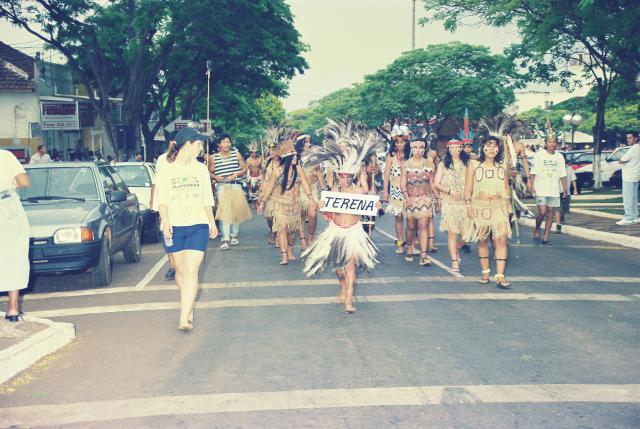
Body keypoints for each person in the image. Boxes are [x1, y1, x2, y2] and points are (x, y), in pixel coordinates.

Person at [302, 120, 382, 313]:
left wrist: (375, 203)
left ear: (352, 176)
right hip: (336, 232)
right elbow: (325, 204)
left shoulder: (357, 191)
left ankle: (349, 301)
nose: (344, 179)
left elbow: (369, 197)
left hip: (353, 233)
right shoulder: (334, 190)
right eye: (342, 176)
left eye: (347, 176)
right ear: (338, 175)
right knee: (339, 269)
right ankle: (344, 286)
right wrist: (321, 204)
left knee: (351, 268)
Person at [155, 127, 218, 331]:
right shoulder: (167, 169)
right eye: (199, 144)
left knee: (191, 271)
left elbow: (207, 198)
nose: (201, 148)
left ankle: (184, 317)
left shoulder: (200, 169)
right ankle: (188, 305)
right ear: (188, 144)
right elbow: (161, 200)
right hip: (174, 226)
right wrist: (165, 222)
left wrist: (212, 222)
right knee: (180, 272)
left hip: (197, 225)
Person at [257, 137, 317, 265]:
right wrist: (262, 202)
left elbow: (306, 185)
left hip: (294, 205)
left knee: (292, 232)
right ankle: (284, 255)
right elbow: (269, 188)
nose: (296, 157)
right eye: (294, 155)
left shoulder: (298, 170)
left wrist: (311, 199)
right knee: (282, 228)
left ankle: (289, 249)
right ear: (287, 158)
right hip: (279, 205)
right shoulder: (277, 171)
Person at [464, 136, 512, 288]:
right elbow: (468, 188)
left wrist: (507, 205)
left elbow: (506, 187)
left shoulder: (502, 165)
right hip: (480, 207)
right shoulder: (473, 165)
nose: (491, 149)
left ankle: (500, 276)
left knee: (501, 240)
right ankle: (485, 273)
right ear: (482, 147)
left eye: (495, 146)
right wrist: (468, 205)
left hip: (499, 208)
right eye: (488, 145)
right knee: (483, 240)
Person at [0, 149, 31, 322]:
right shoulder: (5, 156)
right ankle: (12, 308)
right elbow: (24, 182)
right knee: (14, 253)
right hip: (6, 206)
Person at [209, 134, 251, 250]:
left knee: (236, 212)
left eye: (228, 142)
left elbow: (244, 168)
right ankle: (225, 238)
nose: (227, 144)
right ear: (219, 144)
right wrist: (216, 177)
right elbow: (209, 172)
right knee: (225, 213)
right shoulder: (213, 157)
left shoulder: (236, 154)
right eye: (224, 142)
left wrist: (235, 175)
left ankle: (234, 235)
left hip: (236, 185)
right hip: (222, 187)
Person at [401, 140, 438, 266]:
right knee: (411, 227)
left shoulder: (429, 163)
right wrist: (407, 198)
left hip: (426, 199)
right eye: (415, 147)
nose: (418, 150)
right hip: (410, 199)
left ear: (425, 149)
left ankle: (423, 255)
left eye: (421, 147)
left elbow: (432, 183)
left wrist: (438, 199)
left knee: (423, 225)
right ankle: (410, 246)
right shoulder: (406, 164)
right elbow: (402, 184)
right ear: (411, 148)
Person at [434, 139, 470, 272]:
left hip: (465, 202)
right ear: (448, 150)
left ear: (461, 148)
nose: (455, 151)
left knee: (468, 235)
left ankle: (456, 248)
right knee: (452, 233)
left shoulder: (468, 163)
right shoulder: (443, 164)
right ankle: (454, 260)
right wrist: (449, 191)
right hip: (449, 202)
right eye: (452, 149)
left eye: (458, 148)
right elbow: (436, 183)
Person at [530, 136, 567, 244]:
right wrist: (532, 186)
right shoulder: (539, 155)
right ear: (545, 143)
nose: (552, 144)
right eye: (550, 142)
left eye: (554, 142)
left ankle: (546, 238)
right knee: (542, 211)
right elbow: (533, 172)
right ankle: (537, 229)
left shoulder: (560, 157)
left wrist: (564, 188)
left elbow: (562, 174)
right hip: (540, 188)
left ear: (557, 144)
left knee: (550, 213)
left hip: (553, 189)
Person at [151, 139, 179, 281]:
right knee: (167, 234)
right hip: (165, 203)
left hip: (182, 203)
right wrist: (153, 203)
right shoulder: (162, 159)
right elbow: (155, 182)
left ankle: (181, 266)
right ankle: (174, 266)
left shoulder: (187, 159)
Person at [296, 134, 326, 249]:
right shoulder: (296, 158)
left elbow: (318, 174)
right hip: (299, 190)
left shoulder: (314, 158)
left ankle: (310, 238)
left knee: (313, 214)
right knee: (301, 216)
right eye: (306, 142)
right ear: (301, 144)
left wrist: (324, 190)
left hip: (313, 190)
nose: (309, 144)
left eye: (310, 141)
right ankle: (303, 240)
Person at [382, 133, 409, 254]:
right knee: (398, 217)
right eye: (397, 142)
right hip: (395, 190)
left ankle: (411, 243)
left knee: (411, 218)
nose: (399, 144)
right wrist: (385, 191)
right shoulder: (390, 156)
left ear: (406, 142)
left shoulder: (410, 155)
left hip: (409, 189)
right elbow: (386, 174)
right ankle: (400, 243)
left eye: (402, 142)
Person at [616, 131, 640, 225]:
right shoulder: (638, 148)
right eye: (627, 138)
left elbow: (621, 160)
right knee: (633, 197)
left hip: (629, 176)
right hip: (635, 175)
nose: (628, 139)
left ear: (635, 138)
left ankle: (629, 217)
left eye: (630, 137)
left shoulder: (633, 149)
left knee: (628, 198)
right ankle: (635, 216)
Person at [555, 152, 579, 233]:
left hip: (567, 192)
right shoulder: (555, 169)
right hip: (557, 192)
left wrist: (575, 190)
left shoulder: (569, 168)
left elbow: (573, 179)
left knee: (565, 209)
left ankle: (561, 216)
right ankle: (558, 226)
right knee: (558, 209)